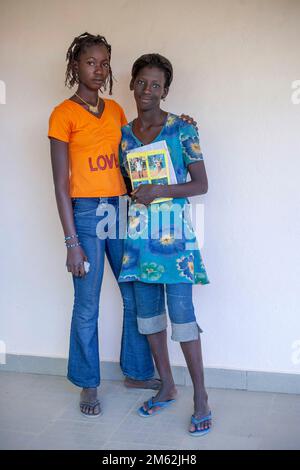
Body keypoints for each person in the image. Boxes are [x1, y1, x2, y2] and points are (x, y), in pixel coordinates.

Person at [48, 33, 195, 417]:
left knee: (133, 292)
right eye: (91, 62)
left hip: (121, 209)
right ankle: (88, 383)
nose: (99, 70)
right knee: (87, 303)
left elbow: (143, 148)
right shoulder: (62, 114)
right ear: (75, 66)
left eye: (105, 63)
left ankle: (136, 372)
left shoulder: (115, 112)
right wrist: (71, 242)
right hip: (86, 213)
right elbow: (61, 185)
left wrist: (184, 124)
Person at [119, 53, 212, 435]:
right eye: (141, 82)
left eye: (156, 85)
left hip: (175, 240)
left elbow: (201, 184)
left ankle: (201, 397)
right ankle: (167, 386)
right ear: (132, 84)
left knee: (183, 317)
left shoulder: (182, 130)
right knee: (148, 318)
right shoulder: (123, 134)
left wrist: (162, 189)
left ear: (166, 91)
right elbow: (127, 186)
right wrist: (141, 191)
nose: (147, 90)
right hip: (140, 237)